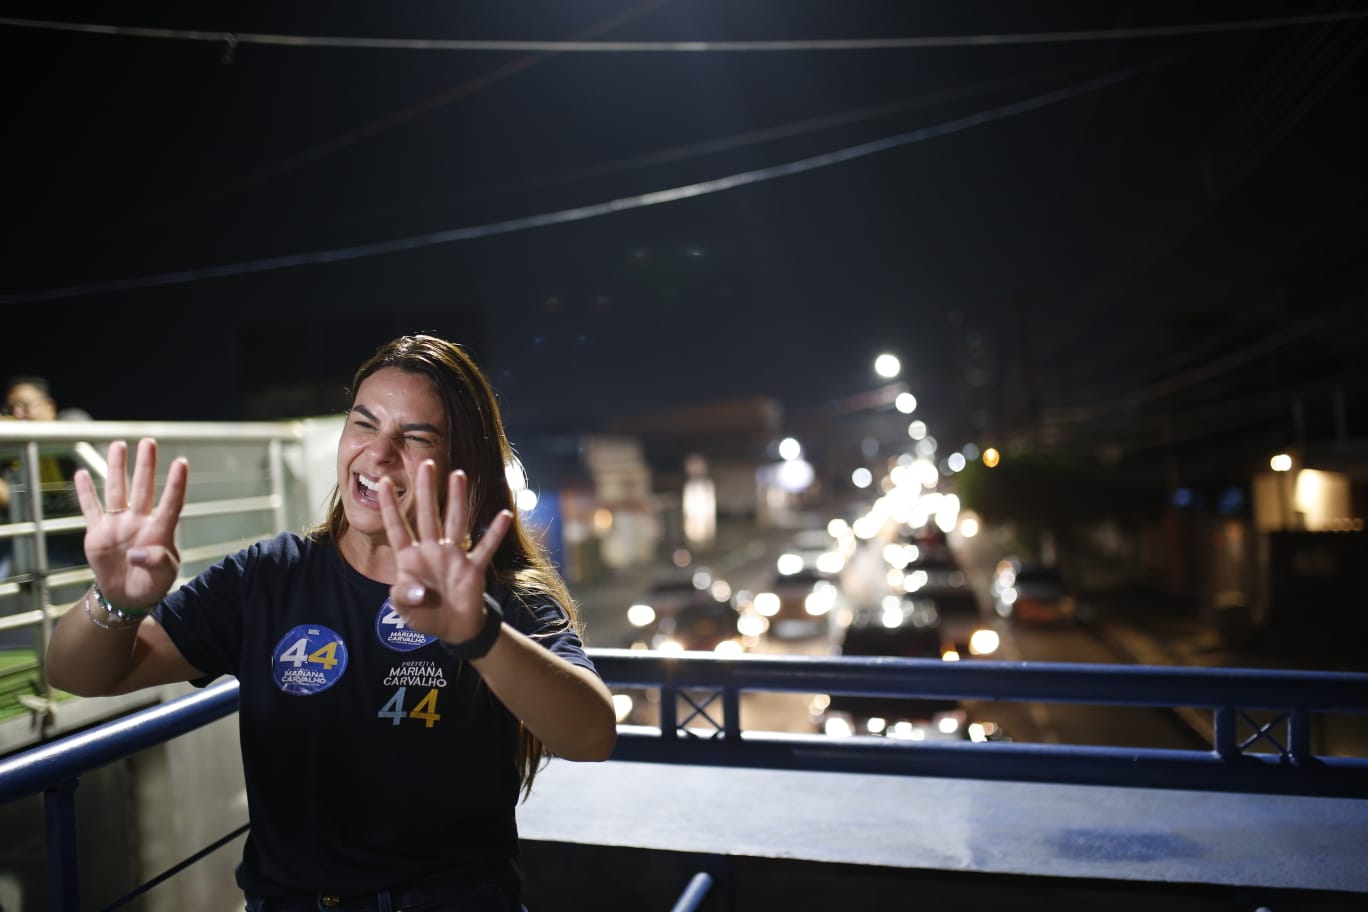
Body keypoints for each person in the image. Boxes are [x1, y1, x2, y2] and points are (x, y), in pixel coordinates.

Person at [45, 334, 618, 911]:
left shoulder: (494, 591)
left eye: (415, 437)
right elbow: (78, 673)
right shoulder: (269, 576)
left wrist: (480, 635)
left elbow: (591, 736)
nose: (378, 453)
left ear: (460, 464)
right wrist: (117, 601)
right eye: (364, 424)